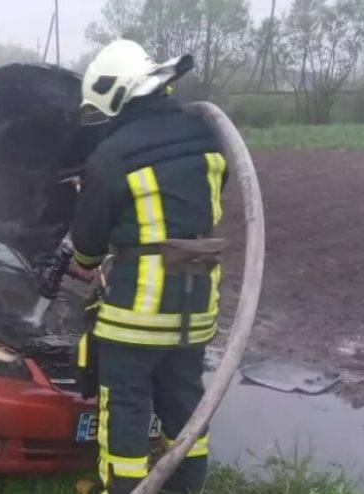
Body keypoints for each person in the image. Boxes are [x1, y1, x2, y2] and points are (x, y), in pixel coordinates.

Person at [69, 40, 228, 494]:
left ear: (116, 97)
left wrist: (87, 262)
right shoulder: (207, 138)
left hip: (136, 317)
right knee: (185, 410)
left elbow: (88, 244)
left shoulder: (111, 156)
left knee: (126, 410)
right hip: (194, 312)